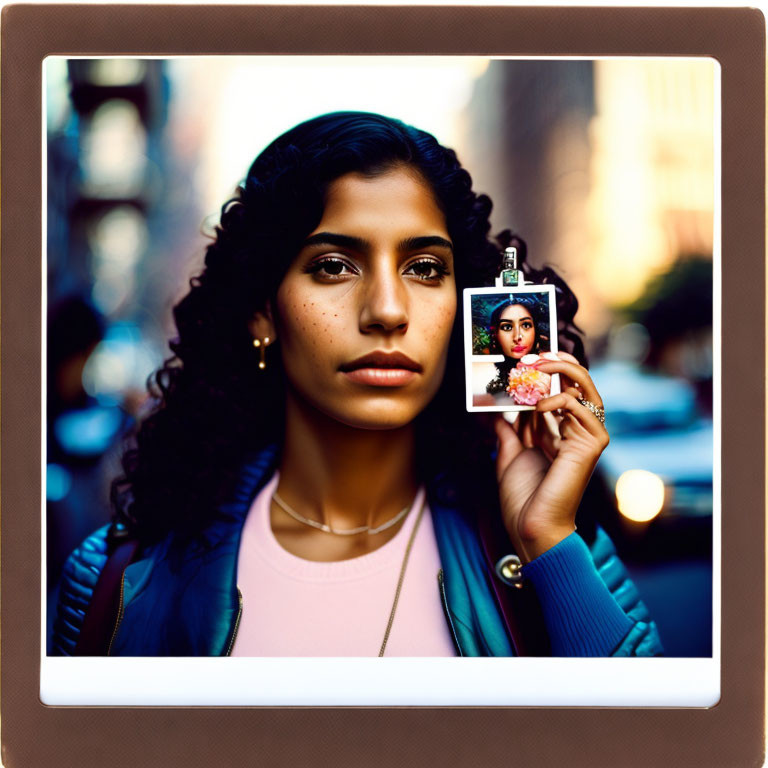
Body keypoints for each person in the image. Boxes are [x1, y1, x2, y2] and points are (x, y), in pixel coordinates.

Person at [53, 111, 663, 657]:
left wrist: (549, 546)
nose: (388, 310)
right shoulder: (118, 582)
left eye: (425, 268)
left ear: (462, 305)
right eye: (334, 266)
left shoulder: (552, 550)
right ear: (263, 310)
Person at [485, 294, 551, 399]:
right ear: (495, 334)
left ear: (536, 331)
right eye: (507, 327)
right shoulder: (492, 390)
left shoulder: (554, 373)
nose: (517, 337)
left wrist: (586, 402)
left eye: (526, 325)